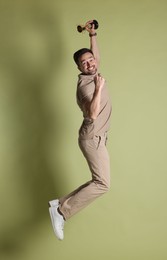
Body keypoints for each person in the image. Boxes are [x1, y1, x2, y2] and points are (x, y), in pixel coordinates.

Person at [48, 19, 112, 240]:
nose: (90, 64)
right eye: (84, 63)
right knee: (102, 183)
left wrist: (92, 35)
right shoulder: (86, 87)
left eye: (91, 60)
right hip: (91, 136)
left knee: (98, 180)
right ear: (78, 67)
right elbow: (92, 114)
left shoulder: (93, 71)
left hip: (99, 137)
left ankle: (59, 202)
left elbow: (96, 57)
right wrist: (99, 88)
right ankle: (61, 211)